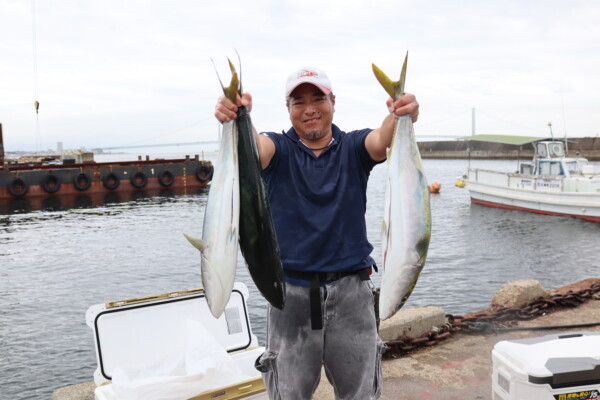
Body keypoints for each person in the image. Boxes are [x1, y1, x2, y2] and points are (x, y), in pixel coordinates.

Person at [214, 66, 419, 400]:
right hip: (289, 295)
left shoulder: (353, 147)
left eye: (317, 98)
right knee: (289, 394)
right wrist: (237, 117)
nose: (309, 109)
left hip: (353, 292)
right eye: (298, 102)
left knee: (360, 394)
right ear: (288, 109)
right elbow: (254, 148)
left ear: (333, 101)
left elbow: (382, 140)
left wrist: (401, 114)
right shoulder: (278, 149)